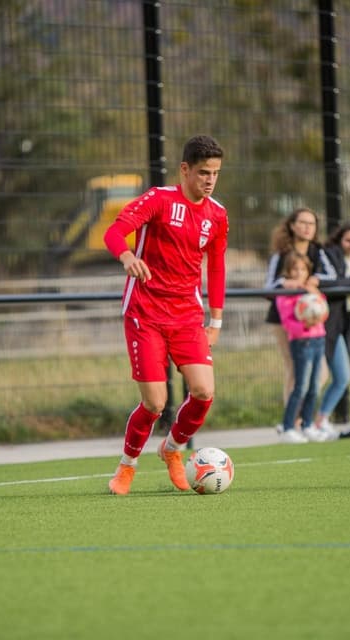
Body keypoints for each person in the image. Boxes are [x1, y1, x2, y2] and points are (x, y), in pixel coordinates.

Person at [103, 134, 227, 495]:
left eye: (216, 173)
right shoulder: (158, 199)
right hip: (145, 312)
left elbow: (216, 268)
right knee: (155, 402)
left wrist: (215, 320)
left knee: (204, 392)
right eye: (203, 172)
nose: (210, 180)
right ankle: (126, 467)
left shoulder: (217, 214)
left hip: (187, 315)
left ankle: (172, 449)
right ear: (185, 169)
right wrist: (127, 257)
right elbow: (115, 232)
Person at [264, 208, 335, 406]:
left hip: (311, 320)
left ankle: (302, 416)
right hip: (283, 320)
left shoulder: (318, 252)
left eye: (311, 224)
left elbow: (332, 276)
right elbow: (268, 286)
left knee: (320, 372)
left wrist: (316, 279)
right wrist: (284, 284)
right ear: (293, 226)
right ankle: (290, 424)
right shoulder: (281, 254)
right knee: (294, 369)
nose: (307, 227)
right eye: (302, 223)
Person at [315, 222, 350, 433]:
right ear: (339, 240)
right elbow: (329, 283)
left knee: (342, 377)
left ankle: (321, 420)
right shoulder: (329, 256)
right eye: (348, 240)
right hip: (323, 325)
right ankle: (300, 421)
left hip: (343, 327)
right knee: (318, 377)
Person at [275, 253, 330, 443]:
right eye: (295, 270)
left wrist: (314, 295)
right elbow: (288, 322)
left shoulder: (312, 291)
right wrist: (305, 324)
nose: (299, 273)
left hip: (318, 340)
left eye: (303, 269)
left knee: (315, 386)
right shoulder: (286, 294)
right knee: (301, 386)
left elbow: (323, 310)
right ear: (288, 273)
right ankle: (288, 426)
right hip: (302, 343)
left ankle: (308, 425)